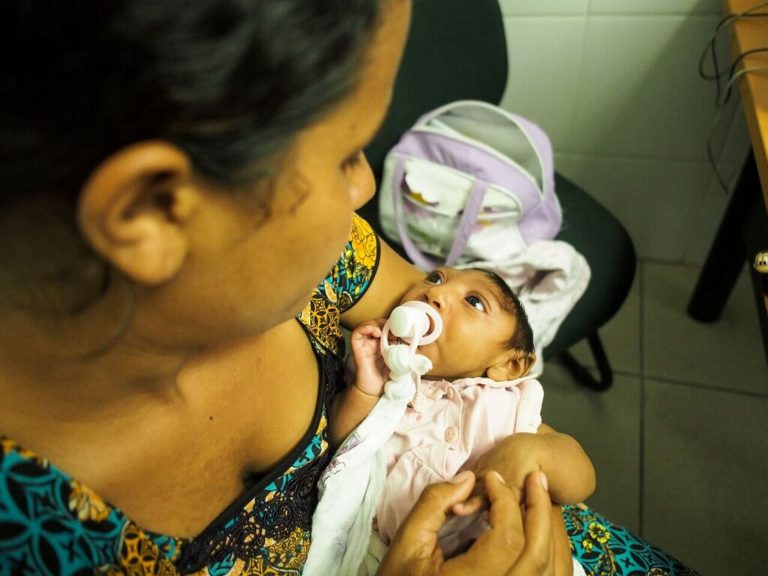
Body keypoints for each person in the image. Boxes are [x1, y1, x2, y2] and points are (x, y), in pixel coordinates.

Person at [0, 1, 700, 574]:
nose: (367, 187)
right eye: (346, 152)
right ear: (151, 211)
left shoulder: (333, 263)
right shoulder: (35, 533)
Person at [318, 266, 591, 575]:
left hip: (513, 555)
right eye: (435, 278)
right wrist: (363, 390)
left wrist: (531, 451)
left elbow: (582, 477)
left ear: (509, 364)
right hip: (384, 557)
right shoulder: (386, 374)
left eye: (474, 302)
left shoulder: (502, 405)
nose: (435, 293)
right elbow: (345, 450)